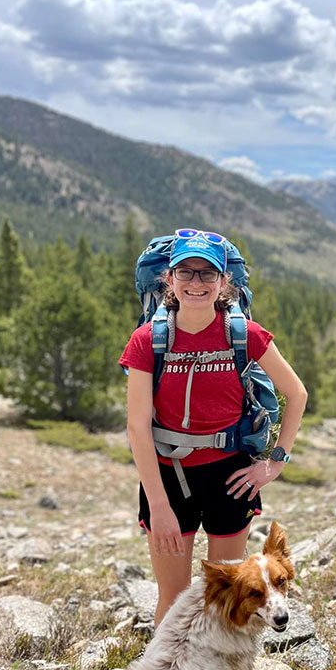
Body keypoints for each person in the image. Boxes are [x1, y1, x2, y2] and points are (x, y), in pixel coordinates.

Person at [119, 229, 307, 627]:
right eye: (186, 272)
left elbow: (297, 394)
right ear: (169, 280)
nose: (196, 283)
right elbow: (137, 428)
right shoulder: (147, 341)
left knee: (225, 595)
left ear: (225, 283)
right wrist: (159, 506)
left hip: (231, 474)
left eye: (208, 274)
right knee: (172, 598)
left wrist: (275, 462)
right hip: (169, 476)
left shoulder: (245, 335)